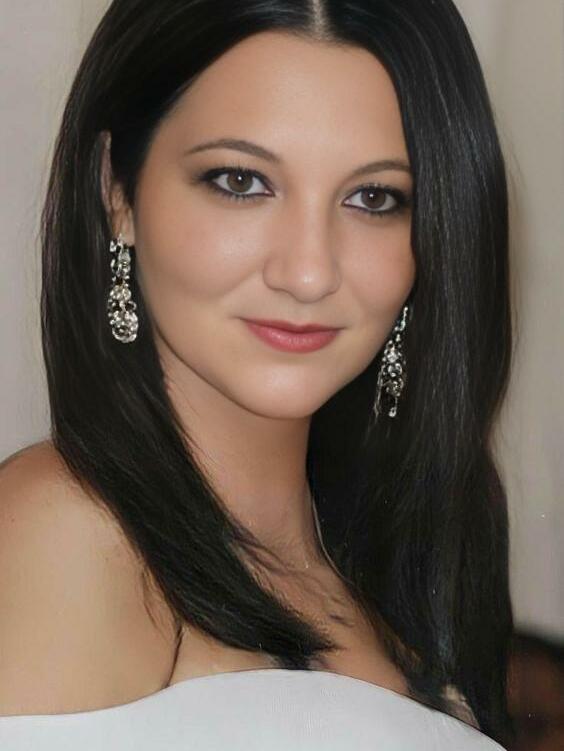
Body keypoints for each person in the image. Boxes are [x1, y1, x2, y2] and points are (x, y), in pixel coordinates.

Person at [0, 0, 515, 748]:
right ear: (117, 191)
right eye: (241, 181)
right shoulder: (66, 534)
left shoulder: (415, 579)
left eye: (374, 198)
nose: (308, 272)